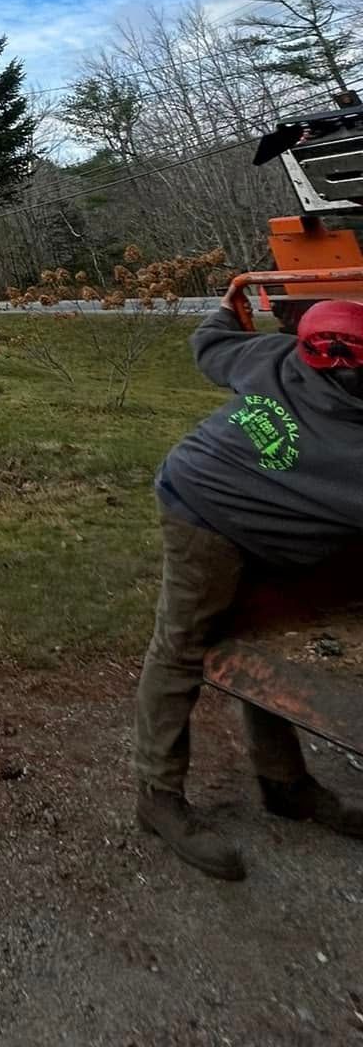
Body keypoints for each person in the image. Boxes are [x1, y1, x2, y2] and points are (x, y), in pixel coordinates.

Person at [135, 284, 363, 881]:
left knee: (266, 642)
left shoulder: (279, 355)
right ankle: (157, 797)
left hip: (272, 525)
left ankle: (284, 786)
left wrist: (230, 305)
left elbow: (212, 344)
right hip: (204, 510)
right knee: (181, 647)